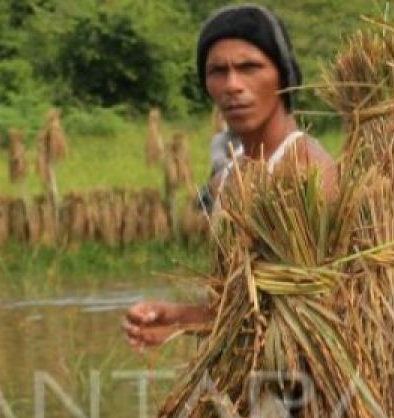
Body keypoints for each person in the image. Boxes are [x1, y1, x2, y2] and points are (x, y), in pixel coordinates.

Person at [122, 4, 338, 352]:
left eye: (249, 67)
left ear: (283, 75)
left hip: (304, 387)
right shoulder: (225, 181)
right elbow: (241, 307)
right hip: (243, 381)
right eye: (217, 71)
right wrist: (178, 319)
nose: (232, 85)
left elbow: (313, 312)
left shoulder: (306, 171)